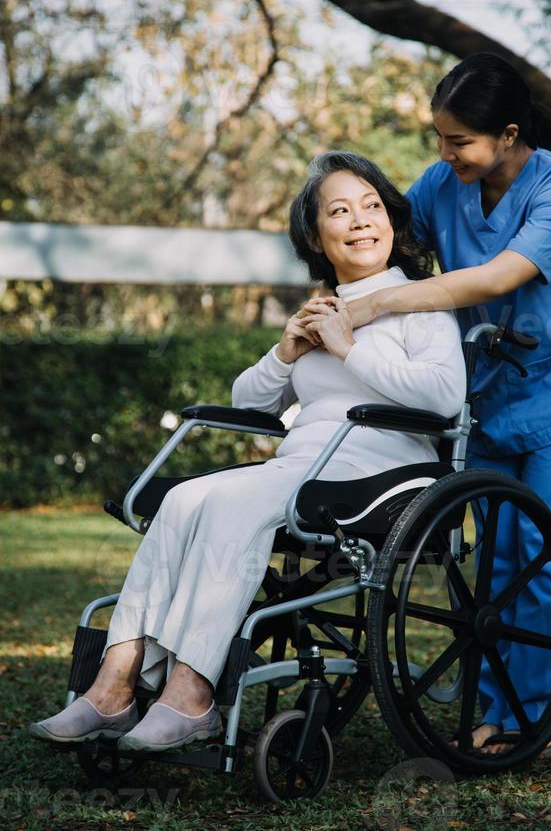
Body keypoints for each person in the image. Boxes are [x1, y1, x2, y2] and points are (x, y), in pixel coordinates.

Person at [29, 152, 466, 754]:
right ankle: (112, 687)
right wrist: (287, 351)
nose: (361, 221)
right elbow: (250, 402)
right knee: (183, 498)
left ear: (392, 221)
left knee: (238, 501)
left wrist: (348, 350)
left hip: (384, 469)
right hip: (305, 465)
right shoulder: (322, 306)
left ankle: (191, 695)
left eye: (373, 207)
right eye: (340, 211)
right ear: (317, 236)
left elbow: (445, 398)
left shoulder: (421, 299)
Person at [305, 53, 551, 756]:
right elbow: (386, 239)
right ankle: (494, 702)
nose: (445, 153)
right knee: (493, 562)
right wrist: (332, 269)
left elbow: (495, 277)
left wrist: (375, 309)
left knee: (549, 558)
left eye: (459, 141)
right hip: (490, 394)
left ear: (509, 134)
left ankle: (540, 721)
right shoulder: (441, 184)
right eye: (440, 138)